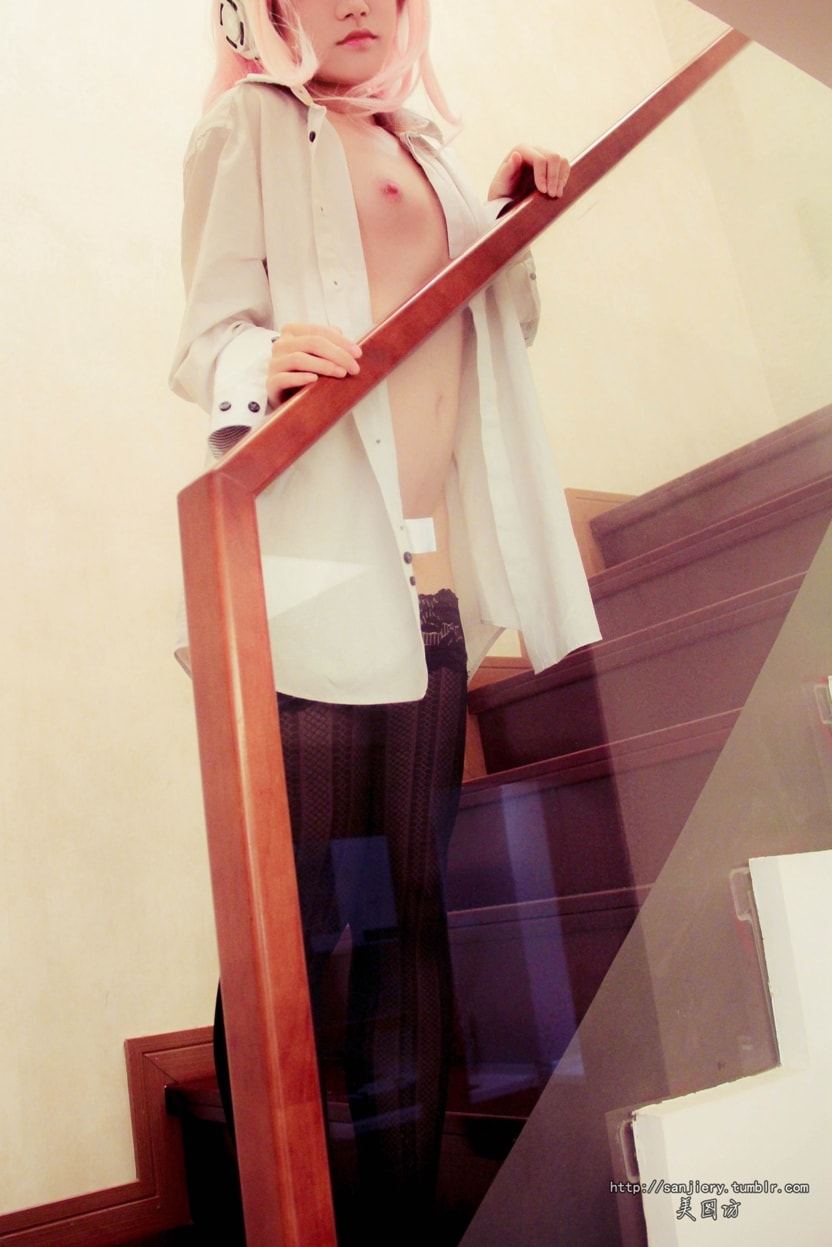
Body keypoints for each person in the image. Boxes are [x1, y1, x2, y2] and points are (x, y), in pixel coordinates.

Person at [170, 0, 600, 1241]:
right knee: (296, 917)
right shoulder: (251, 127)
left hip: (422, 583)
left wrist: (509, 220)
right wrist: (262, 361)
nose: (354, 2)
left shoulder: (430, 148)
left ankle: (399, 1218)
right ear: (274, 11)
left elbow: (497, 334)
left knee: (409, 907)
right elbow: (204, 344)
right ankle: (276, 1211)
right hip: (302, 577)